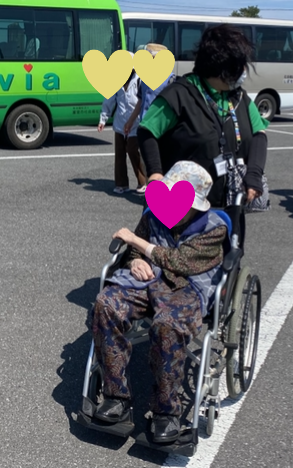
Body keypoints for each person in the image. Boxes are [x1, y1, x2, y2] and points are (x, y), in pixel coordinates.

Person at [91, 161, 228, 444]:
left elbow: (179, 262)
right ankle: (116, 396)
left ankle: (166, 412)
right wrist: (135, 261)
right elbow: (132, 251)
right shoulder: (153, 214)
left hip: (186, 289)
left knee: (167, 325)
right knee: (106, 304)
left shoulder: (214, 229)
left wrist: (136, 242)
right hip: (145, 282)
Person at [137, 24, 269, 236]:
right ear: (219, 67)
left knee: (229, 251)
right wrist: (155, 172)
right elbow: (147, 131)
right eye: (239, 66)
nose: (243, 72)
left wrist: (254, 175)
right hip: (183, 209)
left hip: (229, 205)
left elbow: (259, 135)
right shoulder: (179, 95)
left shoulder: (239, 98)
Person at [98, 57, 147, 194]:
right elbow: (109, 99)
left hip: (136, 122)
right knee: (119, 154)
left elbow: (143, 101)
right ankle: (121, 184)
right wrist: (103, 119)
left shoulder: (140, 79)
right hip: (120, 122)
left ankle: (143, 181)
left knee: (133, 150)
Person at [123, 43, 177, 137]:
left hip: (160, 129)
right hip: (144, 125)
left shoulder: (171, 80)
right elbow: (141, 101)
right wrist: (130, 121)